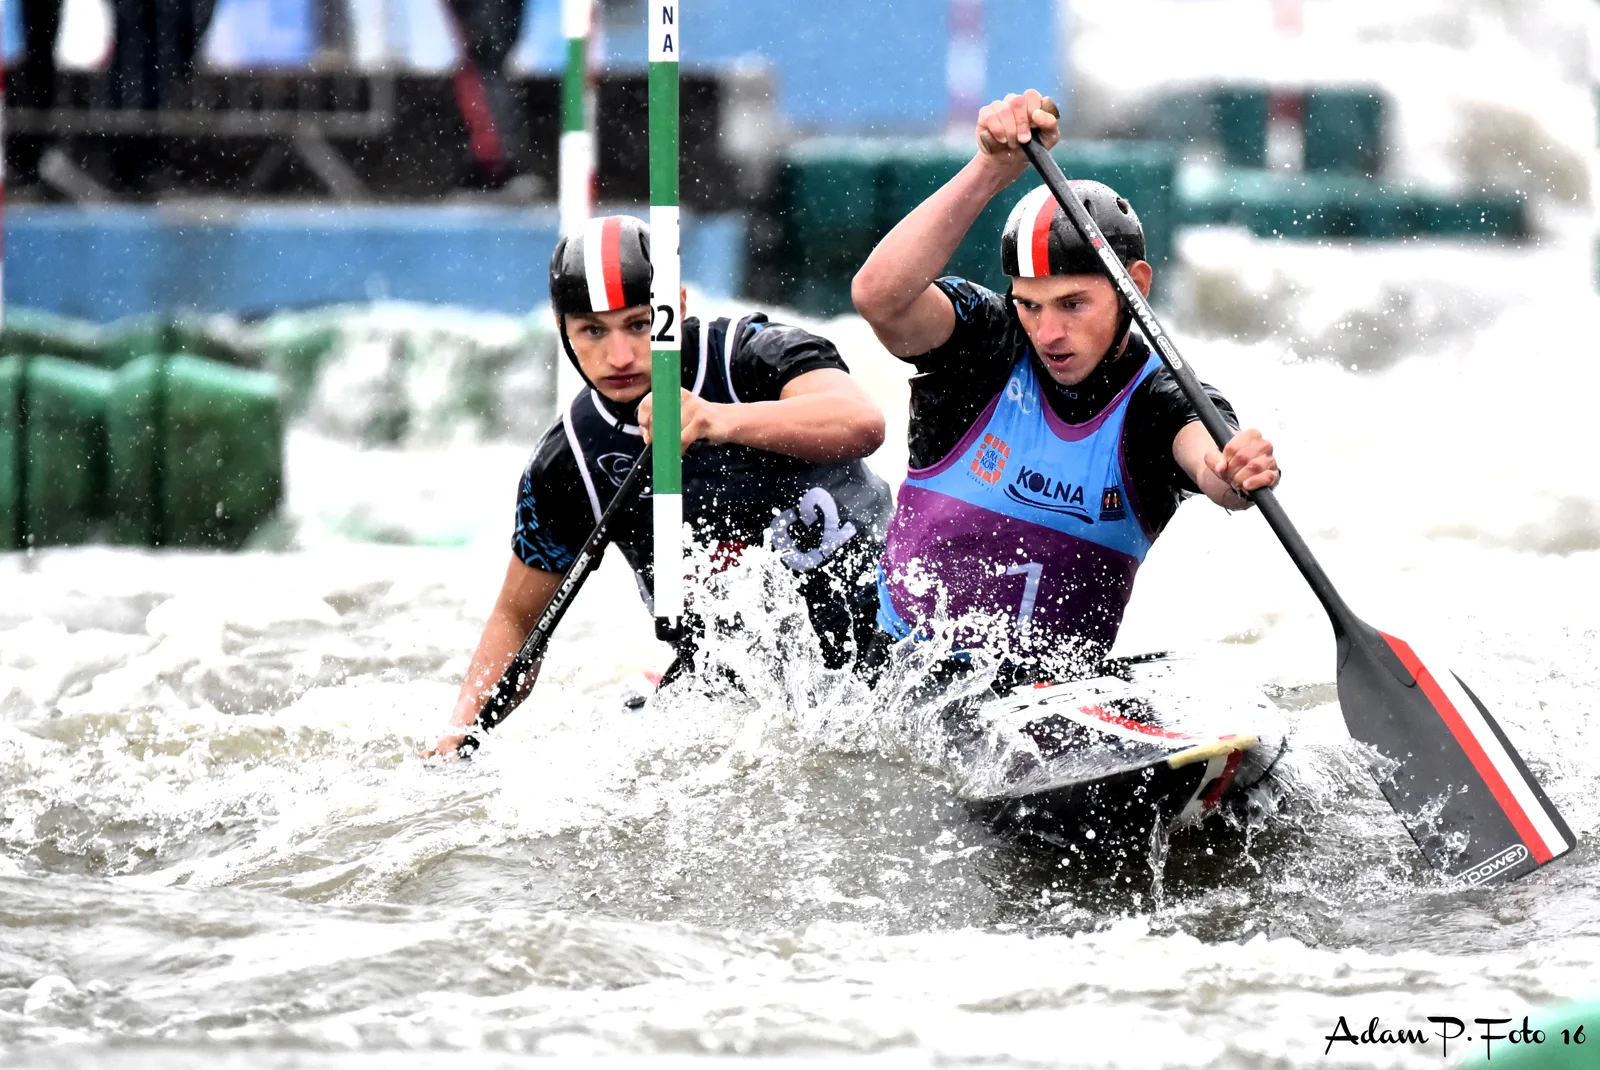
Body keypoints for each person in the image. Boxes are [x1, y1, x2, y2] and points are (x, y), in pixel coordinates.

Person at [851, 89, 1280, 681]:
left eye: (1074, 303)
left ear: (1136, 284)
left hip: (1049, 704)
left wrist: (1235, 471)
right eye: (1031, 305)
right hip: (892, 678)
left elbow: (1212, 465)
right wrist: (990, 168)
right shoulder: (986, 346)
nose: (1049, 333)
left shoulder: (1160, 401)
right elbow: (880, 298)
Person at [427, 215, 893, 758]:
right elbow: (517, 617)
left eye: (640, 324)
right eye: (592, 331)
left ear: (679, 307)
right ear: (561, 328)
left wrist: (718, 420)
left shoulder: (751, 353)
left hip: (886, 626)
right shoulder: (570, 461)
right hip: (734, 688)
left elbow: (862, 423)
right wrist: (462, 727)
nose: (618, 356)